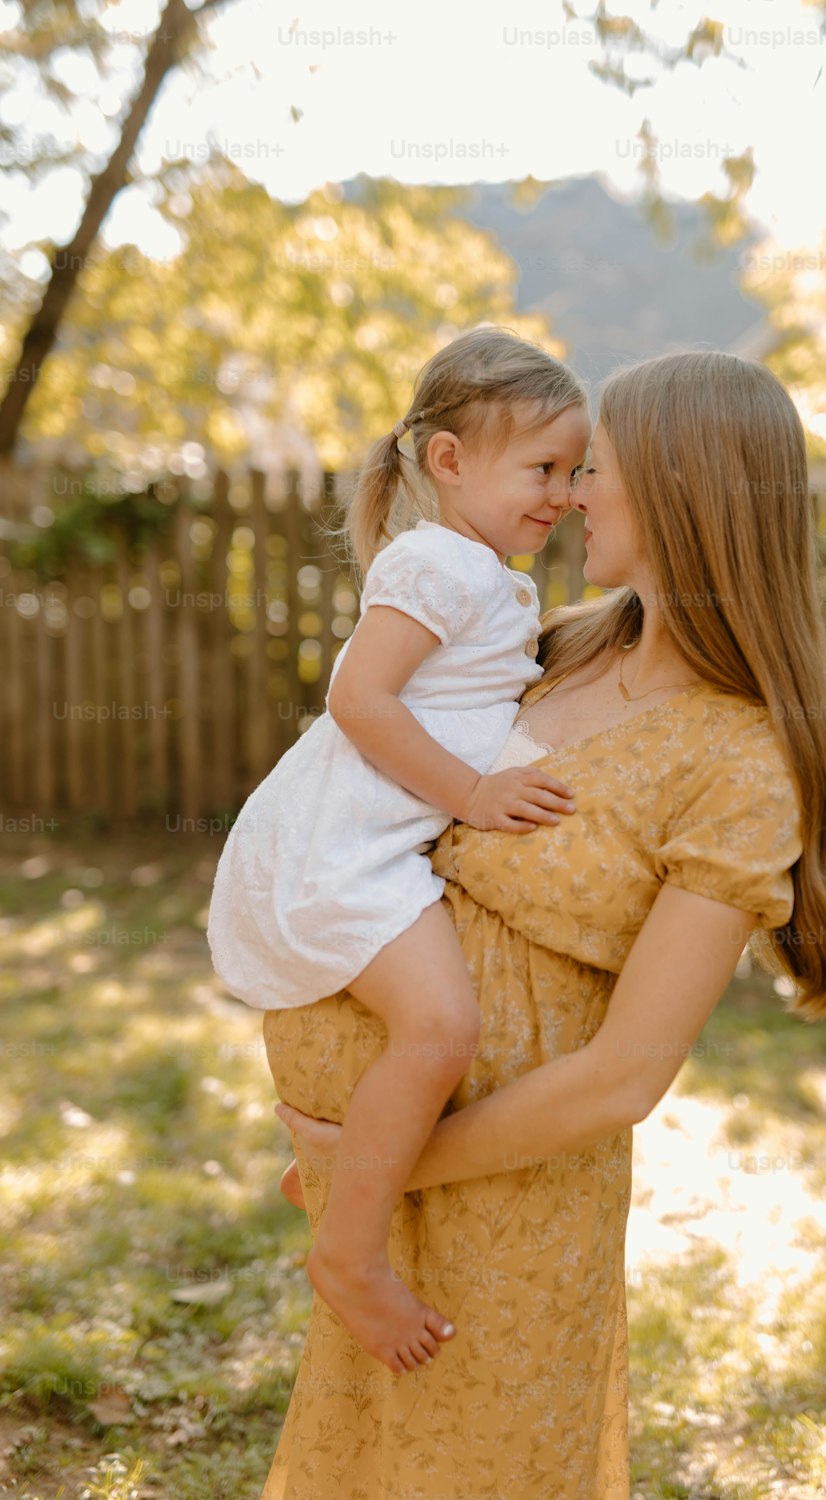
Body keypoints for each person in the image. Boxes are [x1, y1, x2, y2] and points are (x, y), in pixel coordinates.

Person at [260, 349, 826, 1499]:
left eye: (600, 471)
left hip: (514, 1203)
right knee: (366, 1460)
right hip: (388, 1185)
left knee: (475, 1468)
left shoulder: (741, 760)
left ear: (687, 496)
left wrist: (381, 1168)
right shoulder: (557, 648)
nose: (572, 493)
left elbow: (623, 1077)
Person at [207, 327, 591, 1373]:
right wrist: (473, 792)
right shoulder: (434, 562)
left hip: (377, 838)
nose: (563, 493)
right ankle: (348, 1254)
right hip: (345, 846)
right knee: (439, 1027)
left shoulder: (480, 572)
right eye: (542, 468)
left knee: (436, 1031)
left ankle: (347, 1175)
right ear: (450, 461)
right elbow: (358, 699)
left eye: (575, 470)